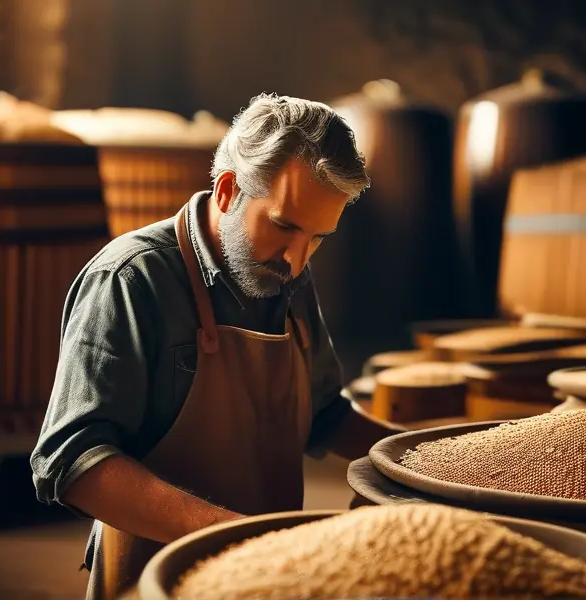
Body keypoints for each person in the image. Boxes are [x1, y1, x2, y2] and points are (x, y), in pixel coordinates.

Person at [30, 93, 405, 600]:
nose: (297, 260)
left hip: (269, 574)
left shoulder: (289, 275)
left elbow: (324, 415)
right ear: (228, 190)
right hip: (154, 577)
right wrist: (237, 533)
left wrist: (425, 464)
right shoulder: (131, 279)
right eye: (284, 226)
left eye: (318, 238)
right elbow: (70, 461)